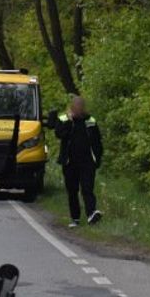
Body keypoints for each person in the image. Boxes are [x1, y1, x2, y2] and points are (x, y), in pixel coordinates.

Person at [47, 95, 103, 228]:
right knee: (72, 190)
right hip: (69, 162)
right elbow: (59, 134)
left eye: (81, 107)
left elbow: (97, 141)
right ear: (72, 107)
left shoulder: (90, 120)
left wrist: (98, 158)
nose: (78, 110)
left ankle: (91, 214)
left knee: (87, 188)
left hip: (87, 161)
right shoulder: (64, 119)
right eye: (76, 107)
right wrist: (69, 122)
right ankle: (75, 218)